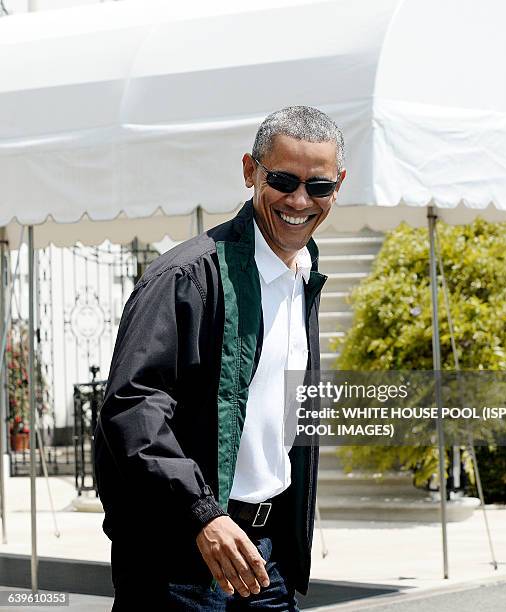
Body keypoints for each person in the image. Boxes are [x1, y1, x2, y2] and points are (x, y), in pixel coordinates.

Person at [94, 105, 346, 611]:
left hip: (263, 552)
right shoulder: (187, 277)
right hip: (180, 557)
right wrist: (201, 513)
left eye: (318, 186)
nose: (300, 200)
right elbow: (132, 408)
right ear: (251, 170)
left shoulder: (303, 273)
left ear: (338, 185)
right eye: (283, 179)